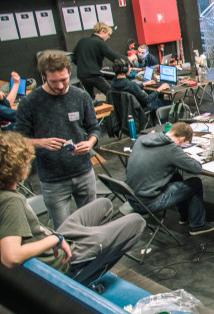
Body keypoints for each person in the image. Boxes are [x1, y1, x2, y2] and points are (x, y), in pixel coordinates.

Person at [0, 131, 145, 289]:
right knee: (137, 222)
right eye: (26, 161)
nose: (29, 165)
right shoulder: (11, 201)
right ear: (16, 167)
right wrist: (55, 240)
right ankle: (85, 278)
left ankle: (91, 245)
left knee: (104, 204)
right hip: (63, 258)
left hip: (55, 240)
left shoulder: (6, 195)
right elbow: (10, 256)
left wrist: (56, 238)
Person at [15, 51, 101, 230]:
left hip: (83, 172)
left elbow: (95, 128)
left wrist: (90, 142)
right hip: (53, 179)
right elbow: (17, 139)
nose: (60, 86)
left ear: (69, 71)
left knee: (92, 225)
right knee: (62, 230)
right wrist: (40, 143)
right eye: (54, 81)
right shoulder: (30, 102)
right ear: (43, 76)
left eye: (64, 79)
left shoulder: (81, 96)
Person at [125, 122, 214, 235]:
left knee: (175, 176)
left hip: (131, 197)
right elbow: (196, 168)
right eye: (183, 144)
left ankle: (184, 216)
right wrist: (183, 157)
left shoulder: (143, 139)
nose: (181, 147)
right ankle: (198, 225)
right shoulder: (171, 149)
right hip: (148, 203)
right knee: (196, 183)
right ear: (181, 139)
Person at [73, 22, 124, 99]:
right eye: (108, 34)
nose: (108, 37)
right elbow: (112, 56)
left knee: (90, 99)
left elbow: (74, 58)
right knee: (112, 95)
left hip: (82, 75)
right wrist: (128, 59)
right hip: (94, 75)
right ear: (102, 31)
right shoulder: (99, 43)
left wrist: (83, 65)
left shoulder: (82, 41)